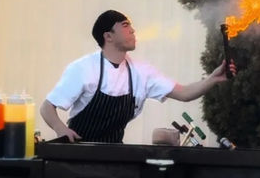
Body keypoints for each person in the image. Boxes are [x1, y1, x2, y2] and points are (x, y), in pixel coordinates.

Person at [40, 10, 236, 143]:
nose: (133, 30)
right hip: (78, 158)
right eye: (125, 25)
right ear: (108, 36)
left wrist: (213, 79)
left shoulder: (142, 73)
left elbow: (184, 93)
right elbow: (47, 107)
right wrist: (60, 129)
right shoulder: (83, 68)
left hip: (117, 158)